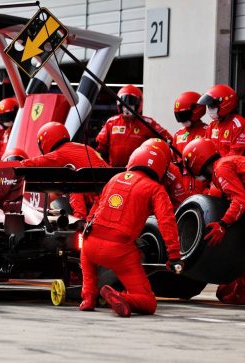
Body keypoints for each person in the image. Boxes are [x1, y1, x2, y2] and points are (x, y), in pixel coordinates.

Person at [80, 144, 182, 317]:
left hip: (90, 245)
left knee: (88, 264)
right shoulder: (156, 189)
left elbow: (95, 210)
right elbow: (167, 222)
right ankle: (121, 297)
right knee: (148, 303)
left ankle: (89, 298)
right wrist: (174, 256)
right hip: (119, 251)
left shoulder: (115, 178)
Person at [182, 138, 245, 304]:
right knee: (226, 292)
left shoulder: (221, 169)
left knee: (232, 294)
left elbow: (240, 200)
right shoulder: (227, 163)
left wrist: (223, 225)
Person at [96, 85, 172, 167]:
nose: (126, 109)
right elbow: (100, 148)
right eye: (124, 106)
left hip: (138, 169)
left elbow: (168, 140)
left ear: (137, 105)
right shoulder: (111, 122)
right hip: (114, 170)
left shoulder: (148, 123)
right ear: (120, 106)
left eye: (130, 105)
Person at [21, 122, 108, 168]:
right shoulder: (85, 147)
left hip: (97, 191)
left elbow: (35, 163)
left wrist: (13, 165)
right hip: (111, 183)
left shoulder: (60, 153)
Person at [198, 84, 245, 157]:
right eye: (209, 106)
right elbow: (205, 149)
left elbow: (235, 155)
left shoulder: (238, 124)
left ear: (225, 103)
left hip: (230, 167)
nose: (210, 108)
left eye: (213, 105)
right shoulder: (212, 126)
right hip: (213, 167)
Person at [172, 91, 208, 157]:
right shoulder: (178, 134)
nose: (182, 120)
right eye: (179, 116)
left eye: (184, 115)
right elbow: (173, 159)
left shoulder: (207, 131)